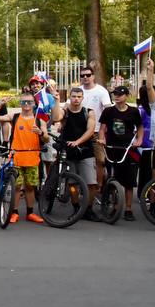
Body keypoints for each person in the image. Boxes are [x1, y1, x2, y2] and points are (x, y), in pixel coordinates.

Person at [97, 84, 144, 221]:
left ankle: (128, 209)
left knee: (129, 181)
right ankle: (114, 205)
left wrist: (139, 140)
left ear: (126, 96)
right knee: (112, 177)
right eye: (115, 94)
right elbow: (102, 128)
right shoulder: (108, 111)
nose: (116, 96)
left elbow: (140, 127)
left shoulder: (133, 111)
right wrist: (101, 139)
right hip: (111, 148)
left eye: (120, 94)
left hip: (127, 149)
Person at [55, 86, 99, 217]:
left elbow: (90, 130)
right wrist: (57, 101)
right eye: (74, 96)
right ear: (70, 97)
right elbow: (57, 117)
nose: (76, 99)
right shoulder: (65, 111)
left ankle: (89, 209)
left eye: (79, 97)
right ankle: (76, 208)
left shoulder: (89, 112)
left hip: (86, 151)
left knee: (91, 183)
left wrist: (78, 142)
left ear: (83, 98)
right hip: (68, 151)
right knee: (72, 183)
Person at [7, 93, 46, 224]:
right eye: (23, 102)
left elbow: (46, 138)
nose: (26, 105)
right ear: (20, 104)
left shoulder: (40, 120)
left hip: (33, 157)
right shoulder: (15, 117)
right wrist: (1, 104)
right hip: (17, 157)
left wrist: (41, 133)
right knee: (17, 187)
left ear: (34, 104)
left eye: (29, 102)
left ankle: (30, 213)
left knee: (30, 187)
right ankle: (14, 212)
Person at [77, 64, 111, 192]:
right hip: (80, 132)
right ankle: (83, 185)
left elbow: (107, 109)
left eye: (88, 75)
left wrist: (105, 127)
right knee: (81, 160)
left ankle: (99, 185)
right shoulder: (78, 91)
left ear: (93, 76)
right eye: (82, 75)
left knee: (100, 160)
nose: (85, 77)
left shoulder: (101, 91)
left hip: (97, 131)